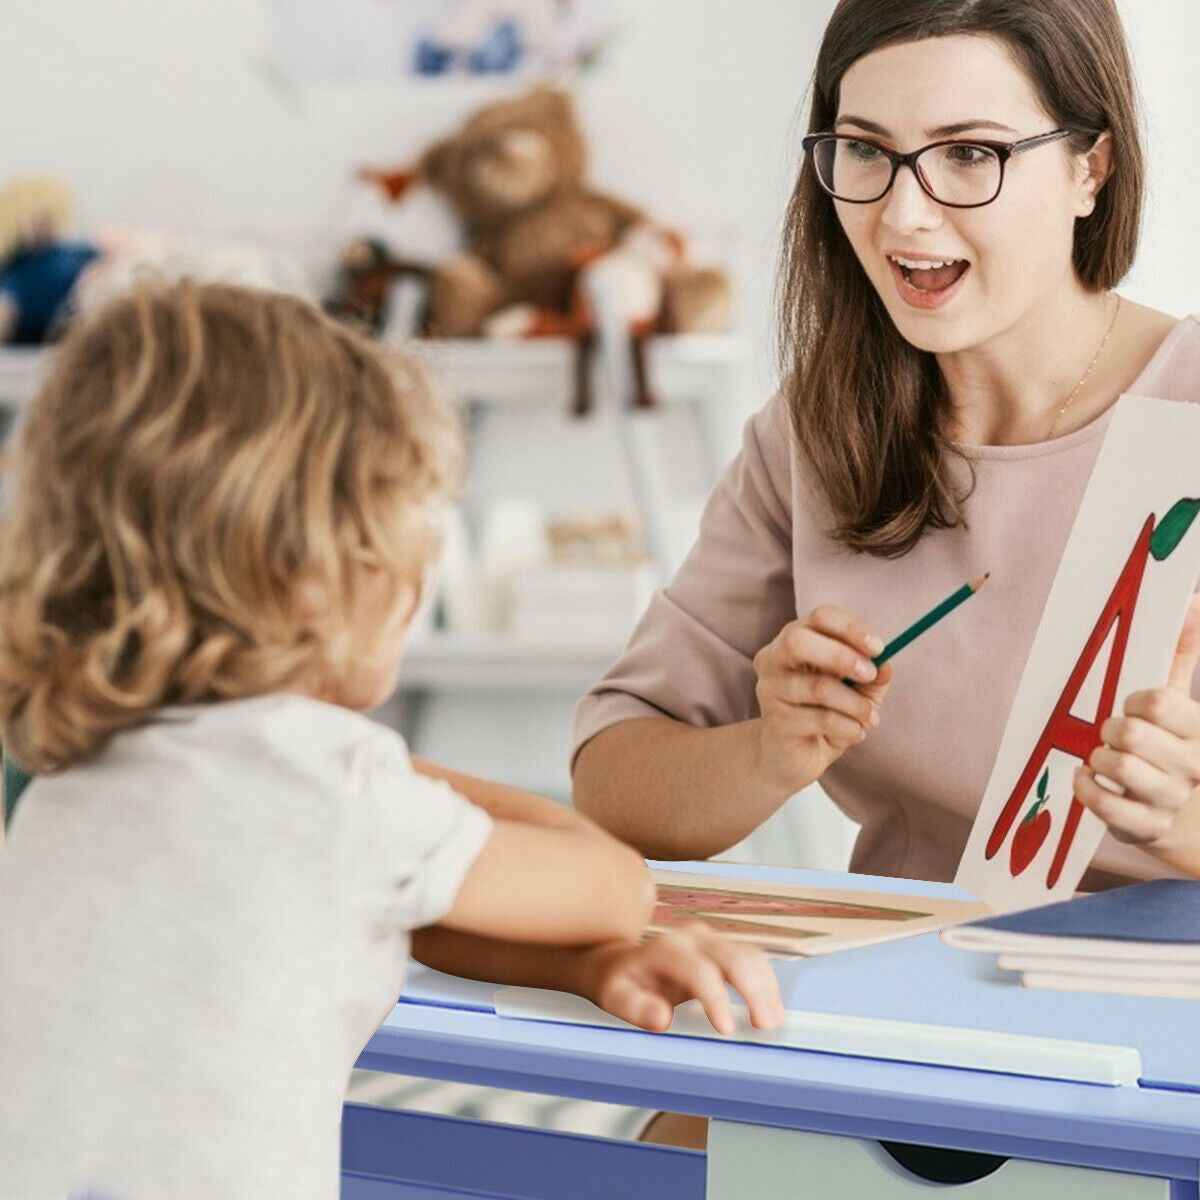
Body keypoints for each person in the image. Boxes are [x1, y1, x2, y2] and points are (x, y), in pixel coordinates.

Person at [572, 0, 1200, 1152]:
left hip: (1153, 1057)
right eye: (864, 151)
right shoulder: (820, 431)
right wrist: (769, 751)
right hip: (896, 1024)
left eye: (969, 154)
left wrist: (1191, 821)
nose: (904, 213)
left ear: (1090, 167)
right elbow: (616, 783)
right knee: (663, 1153)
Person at [0, 280, 783, 1199]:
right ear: (318, 581)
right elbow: (614, 885)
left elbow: (392, 903)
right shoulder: (333, 788)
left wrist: (582, 964)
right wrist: (375, 764)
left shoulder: (66, 786)